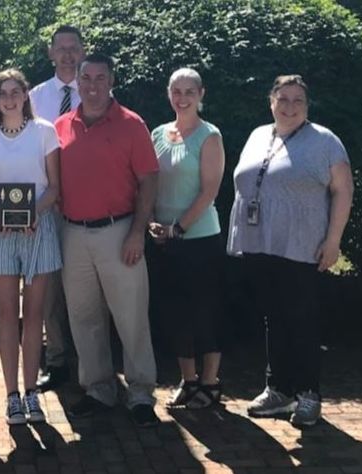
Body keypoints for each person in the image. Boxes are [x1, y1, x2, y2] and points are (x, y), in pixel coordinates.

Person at [227, 74, 353, 427]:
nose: (290, 106)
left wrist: (333, 240)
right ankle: (279, 389)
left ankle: (308, 393)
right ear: (271, 102)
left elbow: (343, 190)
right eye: (283, 99)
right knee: (275, 317)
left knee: (302, 319)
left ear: (307, 105)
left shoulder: (325, 141)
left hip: (302, 246)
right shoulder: (258, 135)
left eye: (298, 100)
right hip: (261, 243)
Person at [55, 53, 160, 427]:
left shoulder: (132, 125)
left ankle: (141, 392)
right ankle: (99, 388)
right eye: (87, 78)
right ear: (77, 82)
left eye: (101, 78)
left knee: (131, 315)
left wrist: (137, 233)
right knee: (84, 316)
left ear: (111, 81)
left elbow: (149, 180)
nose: (93, 86)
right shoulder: (61, 126)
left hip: (120, 231)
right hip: (73, 232)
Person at [0, 69, 61, 424]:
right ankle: (12, 396)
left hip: (40, 228)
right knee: (7, 313)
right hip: (1, 231)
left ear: (26, 95)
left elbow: (54, 187)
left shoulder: (45, 132)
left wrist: (34, 213)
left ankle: (32, 392)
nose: (9, 99)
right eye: (2, 93)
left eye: (15, 92)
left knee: (34, 315)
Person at [147, 68, 226, 408]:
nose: (182, 98)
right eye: (176, 91)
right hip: (164, 240)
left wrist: (178, 228)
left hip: (200, 239)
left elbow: (209, 191)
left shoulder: (210, 136)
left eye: (189, 92)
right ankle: (189, 381)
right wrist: (152, 222)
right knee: (174, 312)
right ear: (169, 94)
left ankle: (210, 383)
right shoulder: (158, 133)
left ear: (201, 94)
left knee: (204, 310)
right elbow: (149, 183)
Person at [28, 24, 85, 392]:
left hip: (86, 205)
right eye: (60, 48)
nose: (67, 54)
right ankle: (57, 359)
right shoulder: (34, 98)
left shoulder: (97, 92)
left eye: (73, 47)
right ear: (50, 53)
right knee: (48, 290)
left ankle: (89, 361)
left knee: (84, 289)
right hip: (47, 207)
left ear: (82, 51)